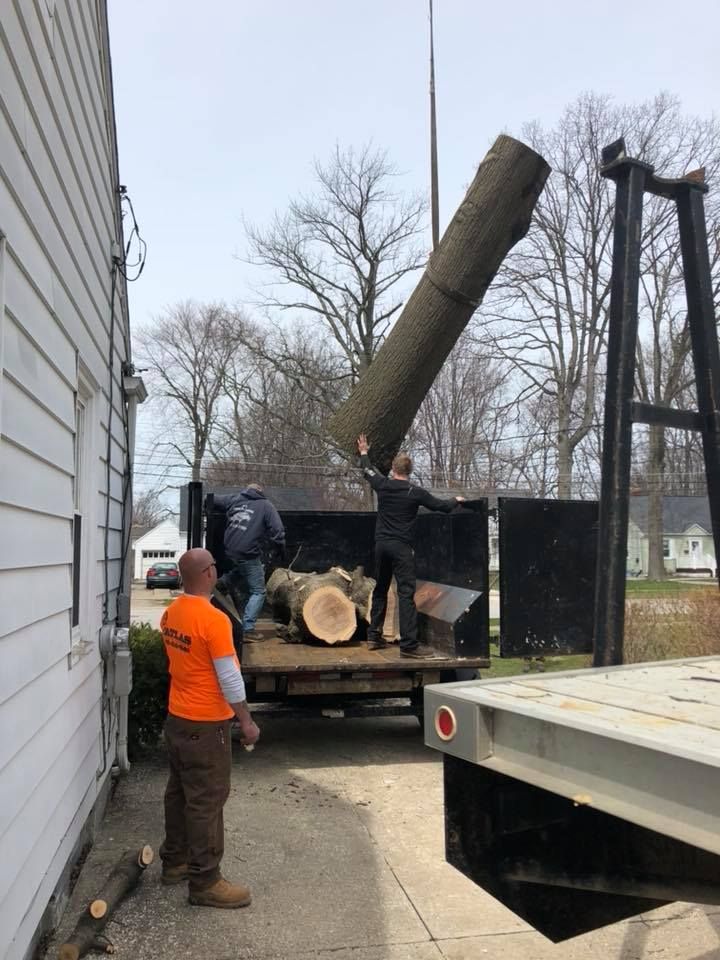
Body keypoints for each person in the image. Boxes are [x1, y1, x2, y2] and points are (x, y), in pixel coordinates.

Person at [159, 548, 260, 908]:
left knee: (179, 792)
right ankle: (205, 882)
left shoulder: (171, 614)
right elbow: (230, 680)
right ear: (208, 574)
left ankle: (175, 861)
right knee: (207, 800)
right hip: (205, 725)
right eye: (214, 566)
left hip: (177, 719)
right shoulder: (214, 620)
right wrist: (246, 721)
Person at [357, 433, 466, 658]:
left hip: (381, 546)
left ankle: (374, 637)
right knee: (406, 593)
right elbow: (441, 507)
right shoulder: (415, 493)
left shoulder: (383, 485)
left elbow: (367, 472)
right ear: (409, 471)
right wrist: (456, 500)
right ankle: (408, 645)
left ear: (394, 470)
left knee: (380, 589)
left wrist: (364, 452)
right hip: (401, 548)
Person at [214, 483, 286, 640]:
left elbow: (212, 499)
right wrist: (280, 547)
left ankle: (222, 583)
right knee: (258, 591)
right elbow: (278, 529)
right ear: (260, 492)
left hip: (230, 550)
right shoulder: (266, 505)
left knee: (243, 568)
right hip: (247, 553)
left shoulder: (234, 499)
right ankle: (248, 629)